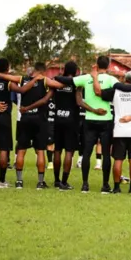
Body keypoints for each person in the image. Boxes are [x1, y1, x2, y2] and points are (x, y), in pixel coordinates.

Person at [0, 62, 63, 190]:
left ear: (34, 70)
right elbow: (60, 85)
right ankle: (40, 182)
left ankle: (19, 181)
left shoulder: (22, 79)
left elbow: (4, 76)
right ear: (43, 71)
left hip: (24, 119)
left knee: (21, 150)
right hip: (40, 120)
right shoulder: (45, 81)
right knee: (40, 151)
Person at [54, 56, 118, 193]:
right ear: (108, 66)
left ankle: (85, 184)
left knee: (87, 153)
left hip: (90, 120)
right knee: (106, 153)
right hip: (106, 119)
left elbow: (65, 80)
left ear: (96, 65)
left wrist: (56, 76)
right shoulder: (112, 79)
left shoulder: (85, 78)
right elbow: (119, 90)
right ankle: (105, 185)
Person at [0, 58, 40, 188]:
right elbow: (22, 90)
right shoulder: (8, 82)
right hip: (4, 119)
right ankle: (1, 181)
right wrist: (34, 80)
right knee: (4, 150)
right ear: (7, 68)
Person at [50, 61, 80, 190]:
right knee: (69, 151)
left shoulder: (57, 83)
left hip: (58, 117)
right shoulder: (76, 84)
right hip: (71, 119)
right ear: (76, 71)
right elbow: (79, 101)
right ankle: (64, 181)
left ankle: (56, 180)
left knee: (57, 149)